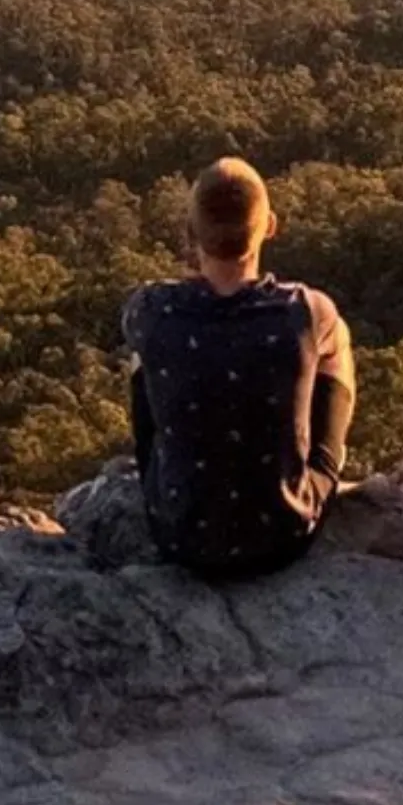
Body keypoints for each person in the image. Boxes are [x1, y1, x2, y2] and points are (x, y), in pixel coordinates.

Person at [122, 157, 356, 580]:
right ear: (270, 226)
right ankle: (322, 468)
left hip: (180, 537)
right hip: (283, 536)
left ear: (190, 233)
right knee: (334, 338)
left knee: (145, 351)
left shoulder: (150, 308)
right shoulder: (304, 310)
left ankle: (167, 479)